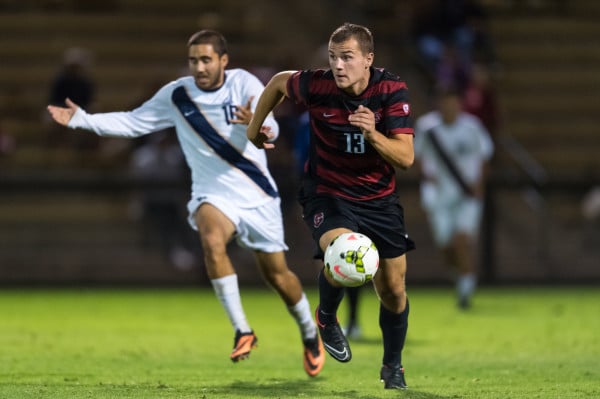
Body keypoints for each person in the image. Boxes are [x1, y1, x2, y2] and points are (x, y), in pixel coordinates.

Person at [46, 29, 324, 377]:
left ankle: (309, 333)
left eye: (206, 59)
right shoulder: (178, 95)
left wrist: (261, 128)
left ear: (223, 60)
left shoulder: (245, 84)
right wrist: (83, 119)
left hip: (256, 194)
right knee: (210, 240)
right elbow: (134, 123)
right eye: (194, 60)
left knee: (279, 276)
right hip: (212, 193)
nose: (199, 67)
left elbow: (269, 124)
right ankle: (243, 330)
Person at [248, 23, 415, 390]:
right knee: (345, 249)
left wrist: (373, 134)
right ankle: (325, 316)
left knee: (393, 289)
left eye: (347, 57)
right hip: (328, 191)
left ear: (368, 59)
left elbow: (406, 158)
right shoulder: (318, 85)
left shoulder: (390, 90)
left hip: (379, 199)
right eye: (333, 57)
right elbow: (278, 82)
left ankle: (393, 367)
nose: (338, 65)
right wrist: (255, 128)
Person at [413, 87, 494, 309]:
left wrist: (479, 185)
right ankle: (460, 276)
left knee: (462, 241)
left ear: (459, 103)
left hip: (466, 194)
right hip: (439, 197)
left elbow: (485, 156)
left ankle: (466, 292)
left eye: (453, 102)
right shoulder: (427, 128)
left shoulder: (472, 127)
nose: (449, 107)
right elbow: (415, 155)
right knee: (446, 247)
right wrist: (426, 174)